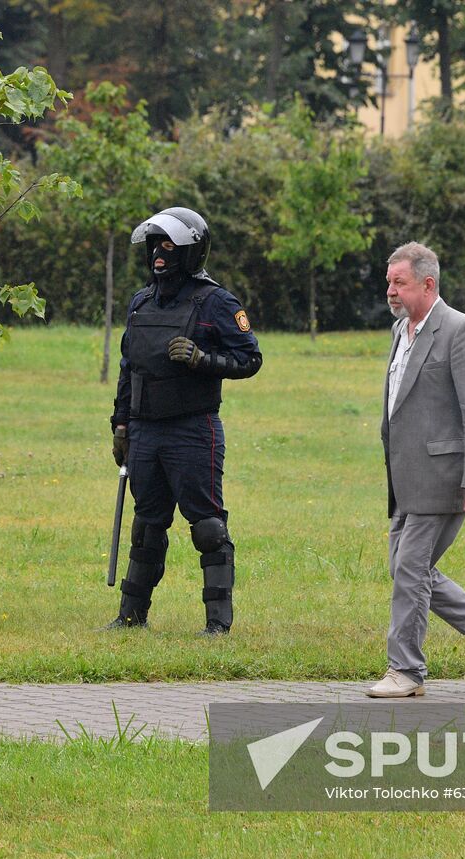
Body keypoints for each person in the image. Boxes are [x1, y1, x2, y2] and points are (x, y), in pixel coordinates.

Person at [367, 243, 465, 698]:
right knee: (406, 569)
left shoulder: (459, 330)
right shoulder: (402, 330)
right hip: (406, 476)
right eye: (390, 282)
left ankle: (406, 671)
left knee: (411, 572)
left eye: (401, 283)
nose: (391, 291)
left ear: (428, 284)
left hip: (444, 475)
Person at [105, 207, 262, 635]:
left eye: (169, 245)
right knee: (146, 525)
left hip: (193, 431)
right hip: (144, 430)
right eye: (154, 245)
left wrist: (202, 359)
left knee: (208, 528)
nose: (159, 253)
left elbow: (250, 359)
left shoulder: (217, 302)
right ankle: (130, 617)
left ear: (191, 251)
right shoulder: (141, 302)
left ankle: (218, 624)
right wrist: (121, 425)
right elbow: (127, 368)